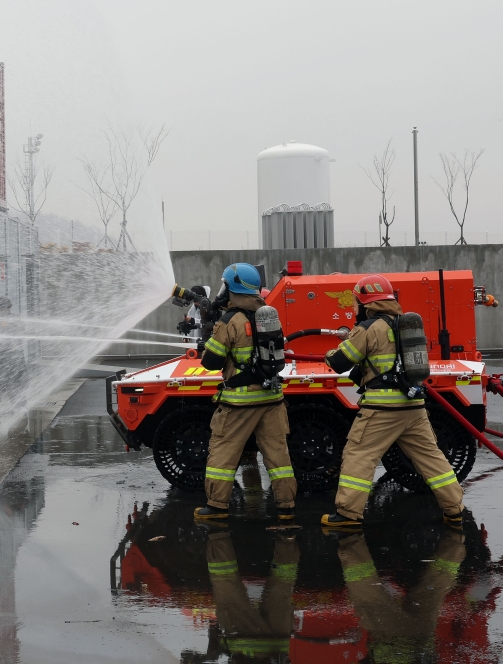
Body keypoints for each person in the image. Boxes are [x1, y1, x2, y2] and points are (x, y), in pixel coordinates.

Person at [321, 274, 466, 529]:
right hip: (413, 407)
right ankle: (455, 509)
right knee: (431, 457)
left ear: (366, 303)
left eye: (357, 302)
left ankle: (348, 514)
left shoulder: (369, 329)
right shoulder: (404, 324)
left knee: (359, 455)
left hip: (381, 409)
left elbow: (340, 362)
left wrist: (330, 352)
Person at [195, 263, 297, 522]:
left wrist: (206, 345)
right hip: (272, 399)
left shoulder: (230, 321)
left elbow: (212, 362)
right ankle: (286, 507)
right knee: (278, 456)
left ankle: (217, 507)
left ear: (232, 287)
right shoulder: (268, 316)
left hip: (239, 403)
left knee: (223, 453)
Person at [337, 530, 465, 661]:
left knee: (433, 587)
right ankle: (350, 539)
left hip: (422, 637)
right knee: (368, 596)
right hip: (393, 640)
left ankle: (455, 538)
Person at [205, 529, 299, 660]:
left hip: (279, 645)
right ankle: (217, 532)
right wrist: (217, 641)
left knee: (282, 582)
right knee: (227, 586)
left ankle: (287, 535)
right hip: (244, 643)